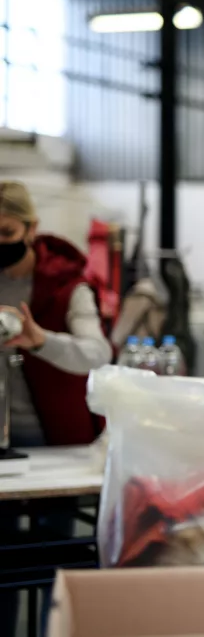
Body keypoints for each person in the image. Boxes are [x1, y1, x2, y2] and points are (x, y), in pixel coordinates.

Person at [0, 181, 112, 637]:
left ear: (31, 229)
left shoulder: (68, 285)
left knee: (54, 557)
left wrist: (41, 340)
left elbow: (98, 352)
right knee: (5, 563)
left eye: (5, 232)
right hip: (4, 446)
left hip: (58, 439)